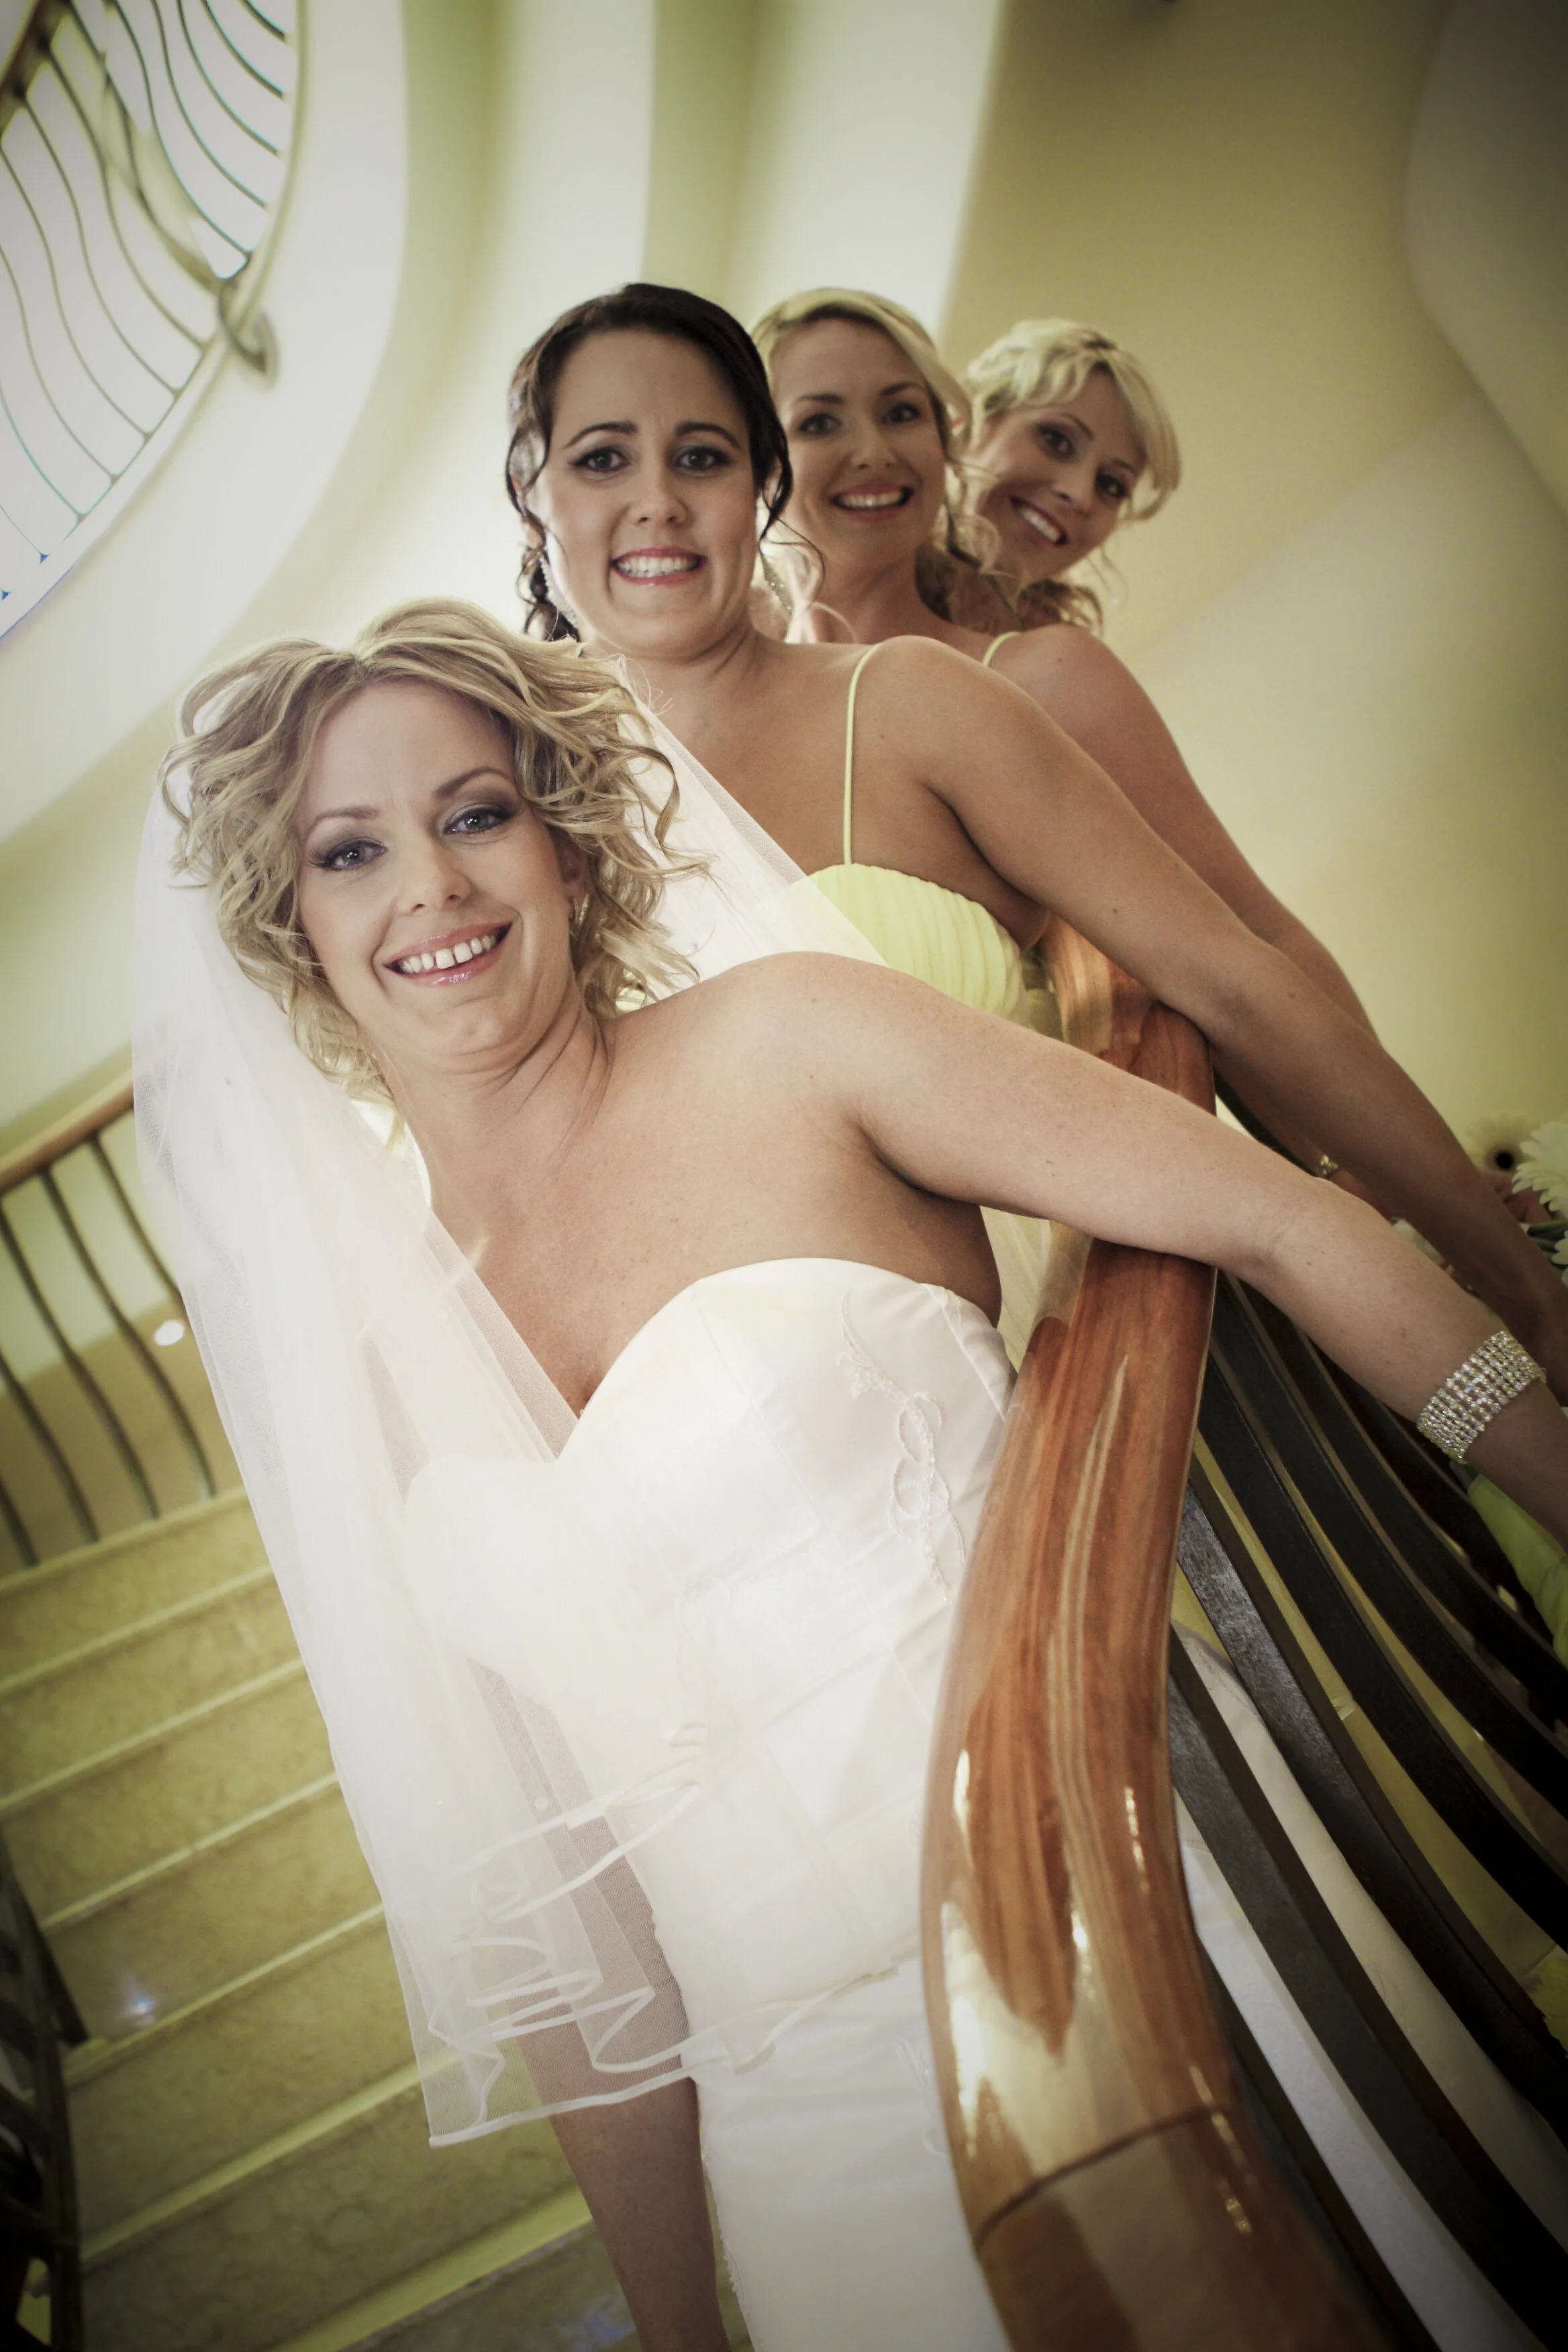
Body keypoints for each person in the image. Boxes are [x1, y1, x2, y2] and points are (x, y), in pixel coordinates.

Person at [140, 599, 1568, 2352]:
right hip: (804, 2145)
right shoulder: (374, 1385)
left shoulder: (796, 1041)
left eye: (474, 810)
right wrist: (683, 2328)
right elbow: (587, 1958)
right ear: (295, 925)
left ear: (567, 831)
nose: (427, 886)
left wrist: (1556, 1464)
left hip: (1149, 1918)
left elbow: (1273, 1216)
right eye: (348, 850)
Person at [503, 284, 1568, 1394]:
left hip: (1097, 1265)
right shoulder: (606, 789)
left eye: (903, 412)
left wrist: (1376, 1203)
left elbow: (1243, 963)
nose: (869, 450)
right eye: (820, 420)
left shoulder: (1016, 680)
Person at [751, 290, 1372, 1066]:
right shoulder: (743, 659)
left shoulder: (1053, 677)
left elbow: (1240, 941)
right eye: (1054, 440)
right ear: (969, 428)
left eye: (1112, 484)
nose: (1078, 494)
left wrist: (1358, 1163)